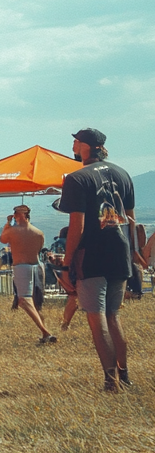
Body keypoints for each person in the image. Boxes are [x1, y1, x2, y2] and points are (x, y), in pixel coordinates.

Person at [56, 127, 143, 391]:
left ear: (84, 146)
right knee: (113, 315)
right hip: (120, 252)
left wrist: (68, 262)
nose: (72, 145)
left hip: (91, 254)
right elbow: (132, 220)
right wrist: (133, 250)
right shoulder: (123, 174)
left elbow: (77, 225)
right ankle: (124, 374)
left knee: (97, 318)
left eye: (75, 141)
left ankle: (110, 380)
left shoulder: (76, 178)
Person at [0, 204, 56, 343]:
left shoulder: (13, 231)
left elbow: (2, 239)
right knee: (35, 301)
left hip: (22, 266)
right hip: (37, 266)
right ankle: (45, 331)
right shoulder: (39, 232)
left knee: (24, 301)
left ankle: (46, 332)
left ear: (20, 215)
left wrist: (7, 223)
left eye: (16, 214)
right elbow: (39, 248)